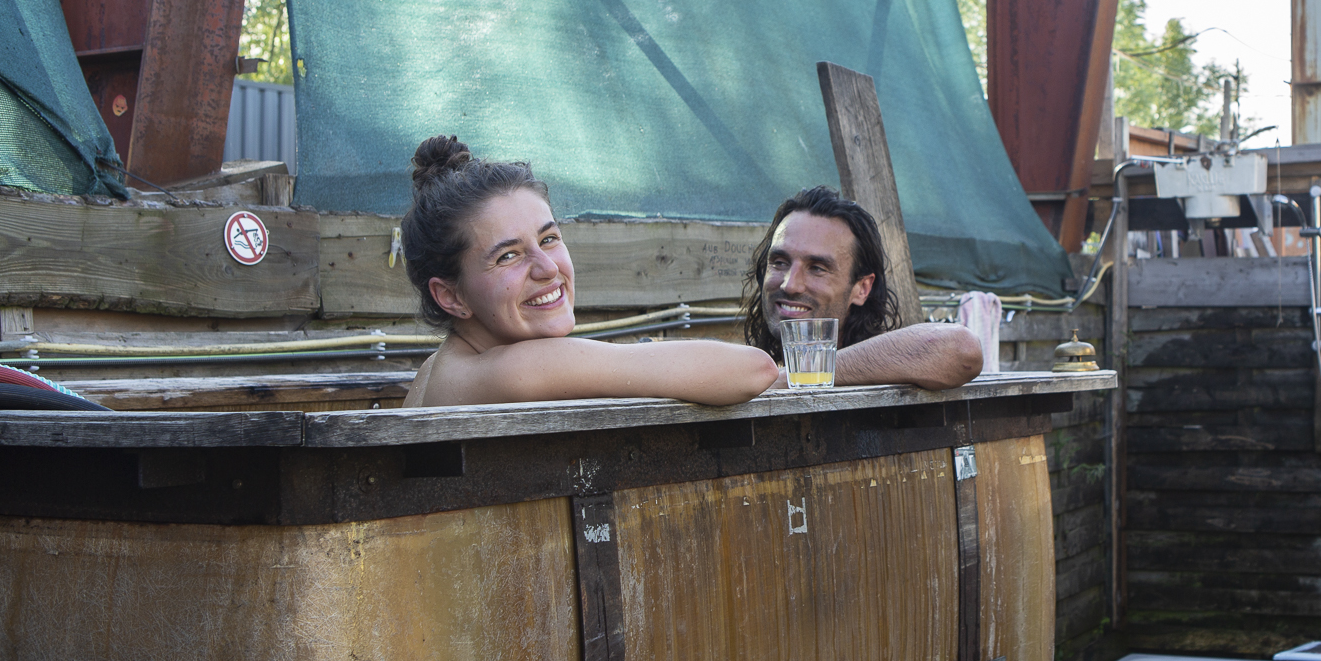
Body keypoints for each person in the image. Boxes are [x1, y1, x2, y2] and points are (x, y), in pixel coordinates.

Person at [400, 137, 779, 407]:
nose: (548, 269)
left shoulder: (435, 370)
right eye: (508, 256)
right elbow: (755, 369)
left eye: (549, 239)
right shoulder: (516, 369)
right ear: (451, 296)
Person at [742, 186, 982, 390]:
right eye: (780, 262)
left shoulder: (886, 368)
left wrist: (796, 377)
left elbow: (963, 350)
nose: (790, 284)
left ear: (862, 289)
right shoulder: (752, 371)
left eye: (817, 268)